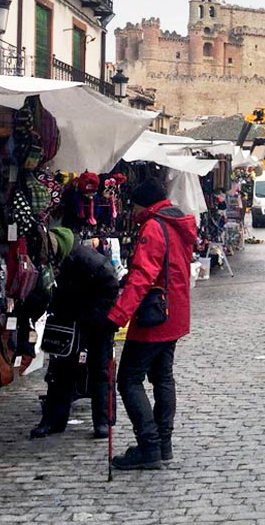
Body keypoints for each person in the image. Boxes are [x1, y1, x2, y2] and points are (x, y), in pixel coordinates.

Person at [106, 178, 196, 470]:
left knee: (129, 379)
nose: (131, 212)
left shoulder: (154, 227)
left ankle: (149, 446)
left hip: (154, 316)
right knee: (162, 378)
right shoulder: (176, 223)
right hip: (174, 312)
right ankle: (163, 444)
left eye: (133, 206)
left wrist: (117, 317)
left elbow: (142, 276)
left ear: (143, 203)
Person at [29, 227, 120, 440]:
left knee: (100, 370)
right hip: (68, 318)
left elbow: (111, 286)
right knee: (60, 370)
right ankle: (53, 420)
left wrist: (95, 317)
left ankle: (103, 421)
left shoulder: (88, 260)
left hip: (96, 319)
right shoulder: (55, 264)